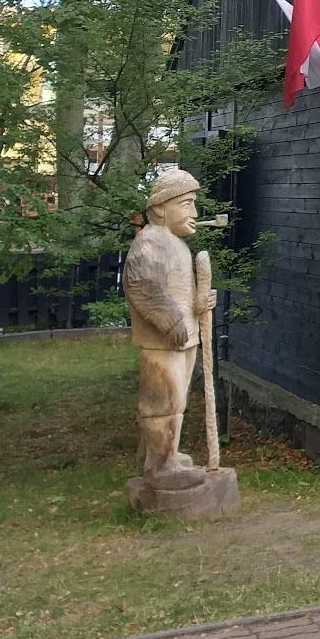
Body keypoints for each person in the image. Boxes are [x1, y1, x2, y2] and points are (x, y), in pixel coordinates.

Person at [124, 169, 214, 489]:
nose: (194, 213)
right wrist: (170, 319)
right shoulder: (151, 241)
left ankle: (163, 456)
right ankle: (160, 467)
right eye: (187, 204)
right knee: (161, 401)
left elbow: (179, 291)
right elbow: (141, 284)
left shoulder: (176, 245)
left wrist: (200, 304)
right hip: (162, 342)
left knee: (175, 402)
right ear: (161, 207)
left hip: (183, 339)